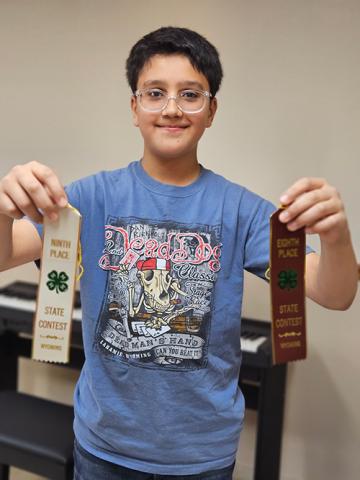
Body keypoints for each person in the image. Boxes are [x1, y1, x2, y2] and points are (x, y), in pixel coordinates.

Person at [0, 26, 357, 480]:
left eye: (191, 94)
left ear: (211, 111)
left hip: (201, 459)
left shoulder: (242, 211)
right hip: (103, 448)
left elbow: (334, 293)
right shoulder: (91, 199)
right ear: (134, 107)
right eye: (155, 93)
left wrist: (337, 238)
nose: (172, 108)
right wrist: (3, 209)